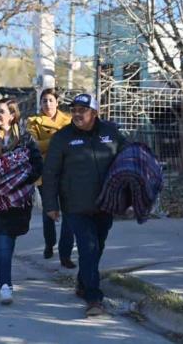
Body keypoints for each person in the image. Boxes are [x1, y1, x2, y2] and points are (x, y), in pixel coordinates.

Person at [42, 93, 127, 318]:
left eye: (83, 110)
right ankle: (93, 298)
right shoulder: (63, 137)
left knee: (97, 246)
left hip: (105, 203)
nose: (77, 114)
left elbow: (127, 157)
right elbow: (50, 172)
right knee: (88, 248)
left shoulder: (111, 132)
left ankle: (82, 282)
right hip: (75, 205)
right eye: (74, 110)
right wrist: (51, 204)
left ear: (94, 113)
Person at [0, 97, 42, 305]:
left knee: (8, 240)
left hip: (17, 202)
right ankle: (6, 284)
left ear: (13, 115)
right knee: (1, 239)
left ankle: (2, 272)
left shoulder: (25, 139)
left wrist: (17, 183)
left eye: (2, 111)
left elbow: (37, 165)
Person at [28, 88, 76, 268]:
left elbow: (73, 145)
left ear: (57, 102)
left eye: (50, 100)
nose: (47, 104)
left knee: (69, 213)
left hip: (67, 173)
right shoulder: (34, 122)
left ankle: (66, 254)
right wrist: (58, 139)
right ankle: (49, 244)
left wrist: (52, 142)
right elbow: (34, 147)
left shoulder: (69, 121)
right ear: (40, 104)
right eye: (44, 101)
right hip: (45, 173)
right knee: (50, 211)